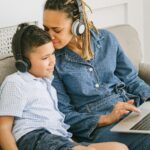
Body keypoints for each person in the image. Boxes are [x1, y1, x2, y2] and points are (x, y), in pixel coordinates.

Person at [0, 23, 128, 150]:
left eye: (53, 54)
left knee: (118, 148)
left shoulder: (48, 82)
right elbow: (3, 128)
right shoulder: (16, 82)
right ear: (24, 62)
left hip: (61, 138)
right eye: (45, 58)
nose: (52, 61)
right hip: (35, 137)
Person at [43, 0, 150, 149]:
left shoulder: (107, 39)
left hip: (130, 111)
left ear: (77, 26)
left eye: (57, 30)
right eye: (46, 29)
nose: (50, 36)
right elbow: (64, 115)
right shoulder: (52, 62)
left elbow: (131, 79)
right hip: (99, 128)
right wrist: (106, 118)